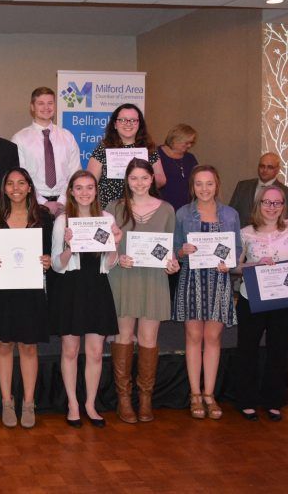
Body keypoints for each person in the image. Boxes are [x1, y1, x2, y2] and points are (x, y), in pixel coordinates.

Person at [106, 159, 180, 424]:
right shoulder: (113, 208)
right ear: (126, 180)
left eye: (144, 178)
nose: (139, 183)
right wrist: (117, 256)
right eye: (134, 178)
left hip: (153, 279)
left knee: (149, 339)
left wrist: (173, 264)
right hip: (122, 277)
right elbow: (104, 246)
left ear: (152, 179)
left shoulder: (167, 210)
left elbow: (170, 248)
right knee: (123, 336)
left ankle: (145, 397)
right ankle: (124, 398)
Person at [50, 170, 121, 428]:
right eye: (78, 188)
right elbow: (57, 265)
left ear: (95, 191)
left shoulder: (106, 218)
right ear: (70, 191)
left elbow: (110, 264)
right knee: (70, 350)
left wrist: (114, 244)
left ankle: (90, 404)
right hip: (70, 290)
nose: (84, 192)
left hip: (97, 289)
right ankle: (72, 404)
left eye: (89, 187)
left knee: (94, 352)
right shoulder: (63, 221)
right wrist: (69, 248)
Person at [234, 185, 288, 422]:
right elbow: (235, 266)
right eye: (267, 202)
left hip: (284, 299)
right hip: (251, 298)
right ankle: (246, 399)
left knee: (277, 349)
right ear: (258, 205)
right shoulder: (246, 232)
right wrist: (253, 265)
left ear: (283, 206)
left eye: (277, 203)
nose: (272, 207)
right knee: (247, 348)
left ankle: (273, 399)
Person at [0, 167, 53, 429]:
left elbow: (51, 253)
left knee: (28, 346)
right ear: (4, 188)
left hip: (31, 289)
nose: (15, 188)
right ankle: (6, 401)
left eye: (21, 183)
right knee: (4, 345)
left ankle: (28, 402)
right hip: (1, 289)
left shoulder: (43, 218)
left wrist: (48, 260)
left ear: (29, 188)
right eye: (10, 183)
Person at [173, 165, 241, 420]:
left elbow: (235, 249)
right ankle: (194, 394)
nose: (204, 189)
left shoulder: (231, 215)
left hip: (219, 279)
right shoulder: (183, 214)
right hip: (192, 279)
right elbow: (174, 250)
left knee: (213, 338)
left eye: (209, 183)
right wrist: (183, 251)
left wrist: (229, 264)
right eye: (199, 184)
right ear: (193, 187)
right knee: (193, 336)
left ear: (217, 185)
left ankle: (209, 394)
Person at [12, 87, 82, 216]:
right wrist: (42, 203)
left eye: (50, 103)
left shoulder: (67, 136)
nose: (46, 107)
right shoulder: (19, 139)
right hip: (33, 204)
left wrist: (62, 201)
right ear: (32, 107)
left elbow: (75, 173)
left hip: (66, 205)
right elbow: (21, 177)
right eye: (41, 103)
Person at [87, 103, 167, 208]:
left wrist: (140, 178)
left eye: (133, 120)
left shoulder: (149, 148)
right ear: (115, 124)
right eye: (123, 120)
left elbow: (161, 180)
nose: (128, 123)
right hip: (110, 209)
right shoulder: (103, 148)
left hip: (141, 208)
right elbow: (90, 182)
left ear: (139, 124)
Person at [228, 152, 288, 226]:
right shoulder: (242, 187)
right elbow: (230, 213)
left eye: (270, 167)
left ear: (277, 169)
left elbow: (287, 223)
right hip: (241, 235)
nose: (265, 170)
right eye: (262, 166)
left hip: (271, 236)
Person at [157, 124, 199, 211]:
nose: (189, 146)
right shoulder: (156, 154)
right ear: (175, 139)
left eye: (191, 143)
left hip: (186, 209)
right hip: (162, 208)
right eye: (187, 143)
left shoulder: (190, 158)